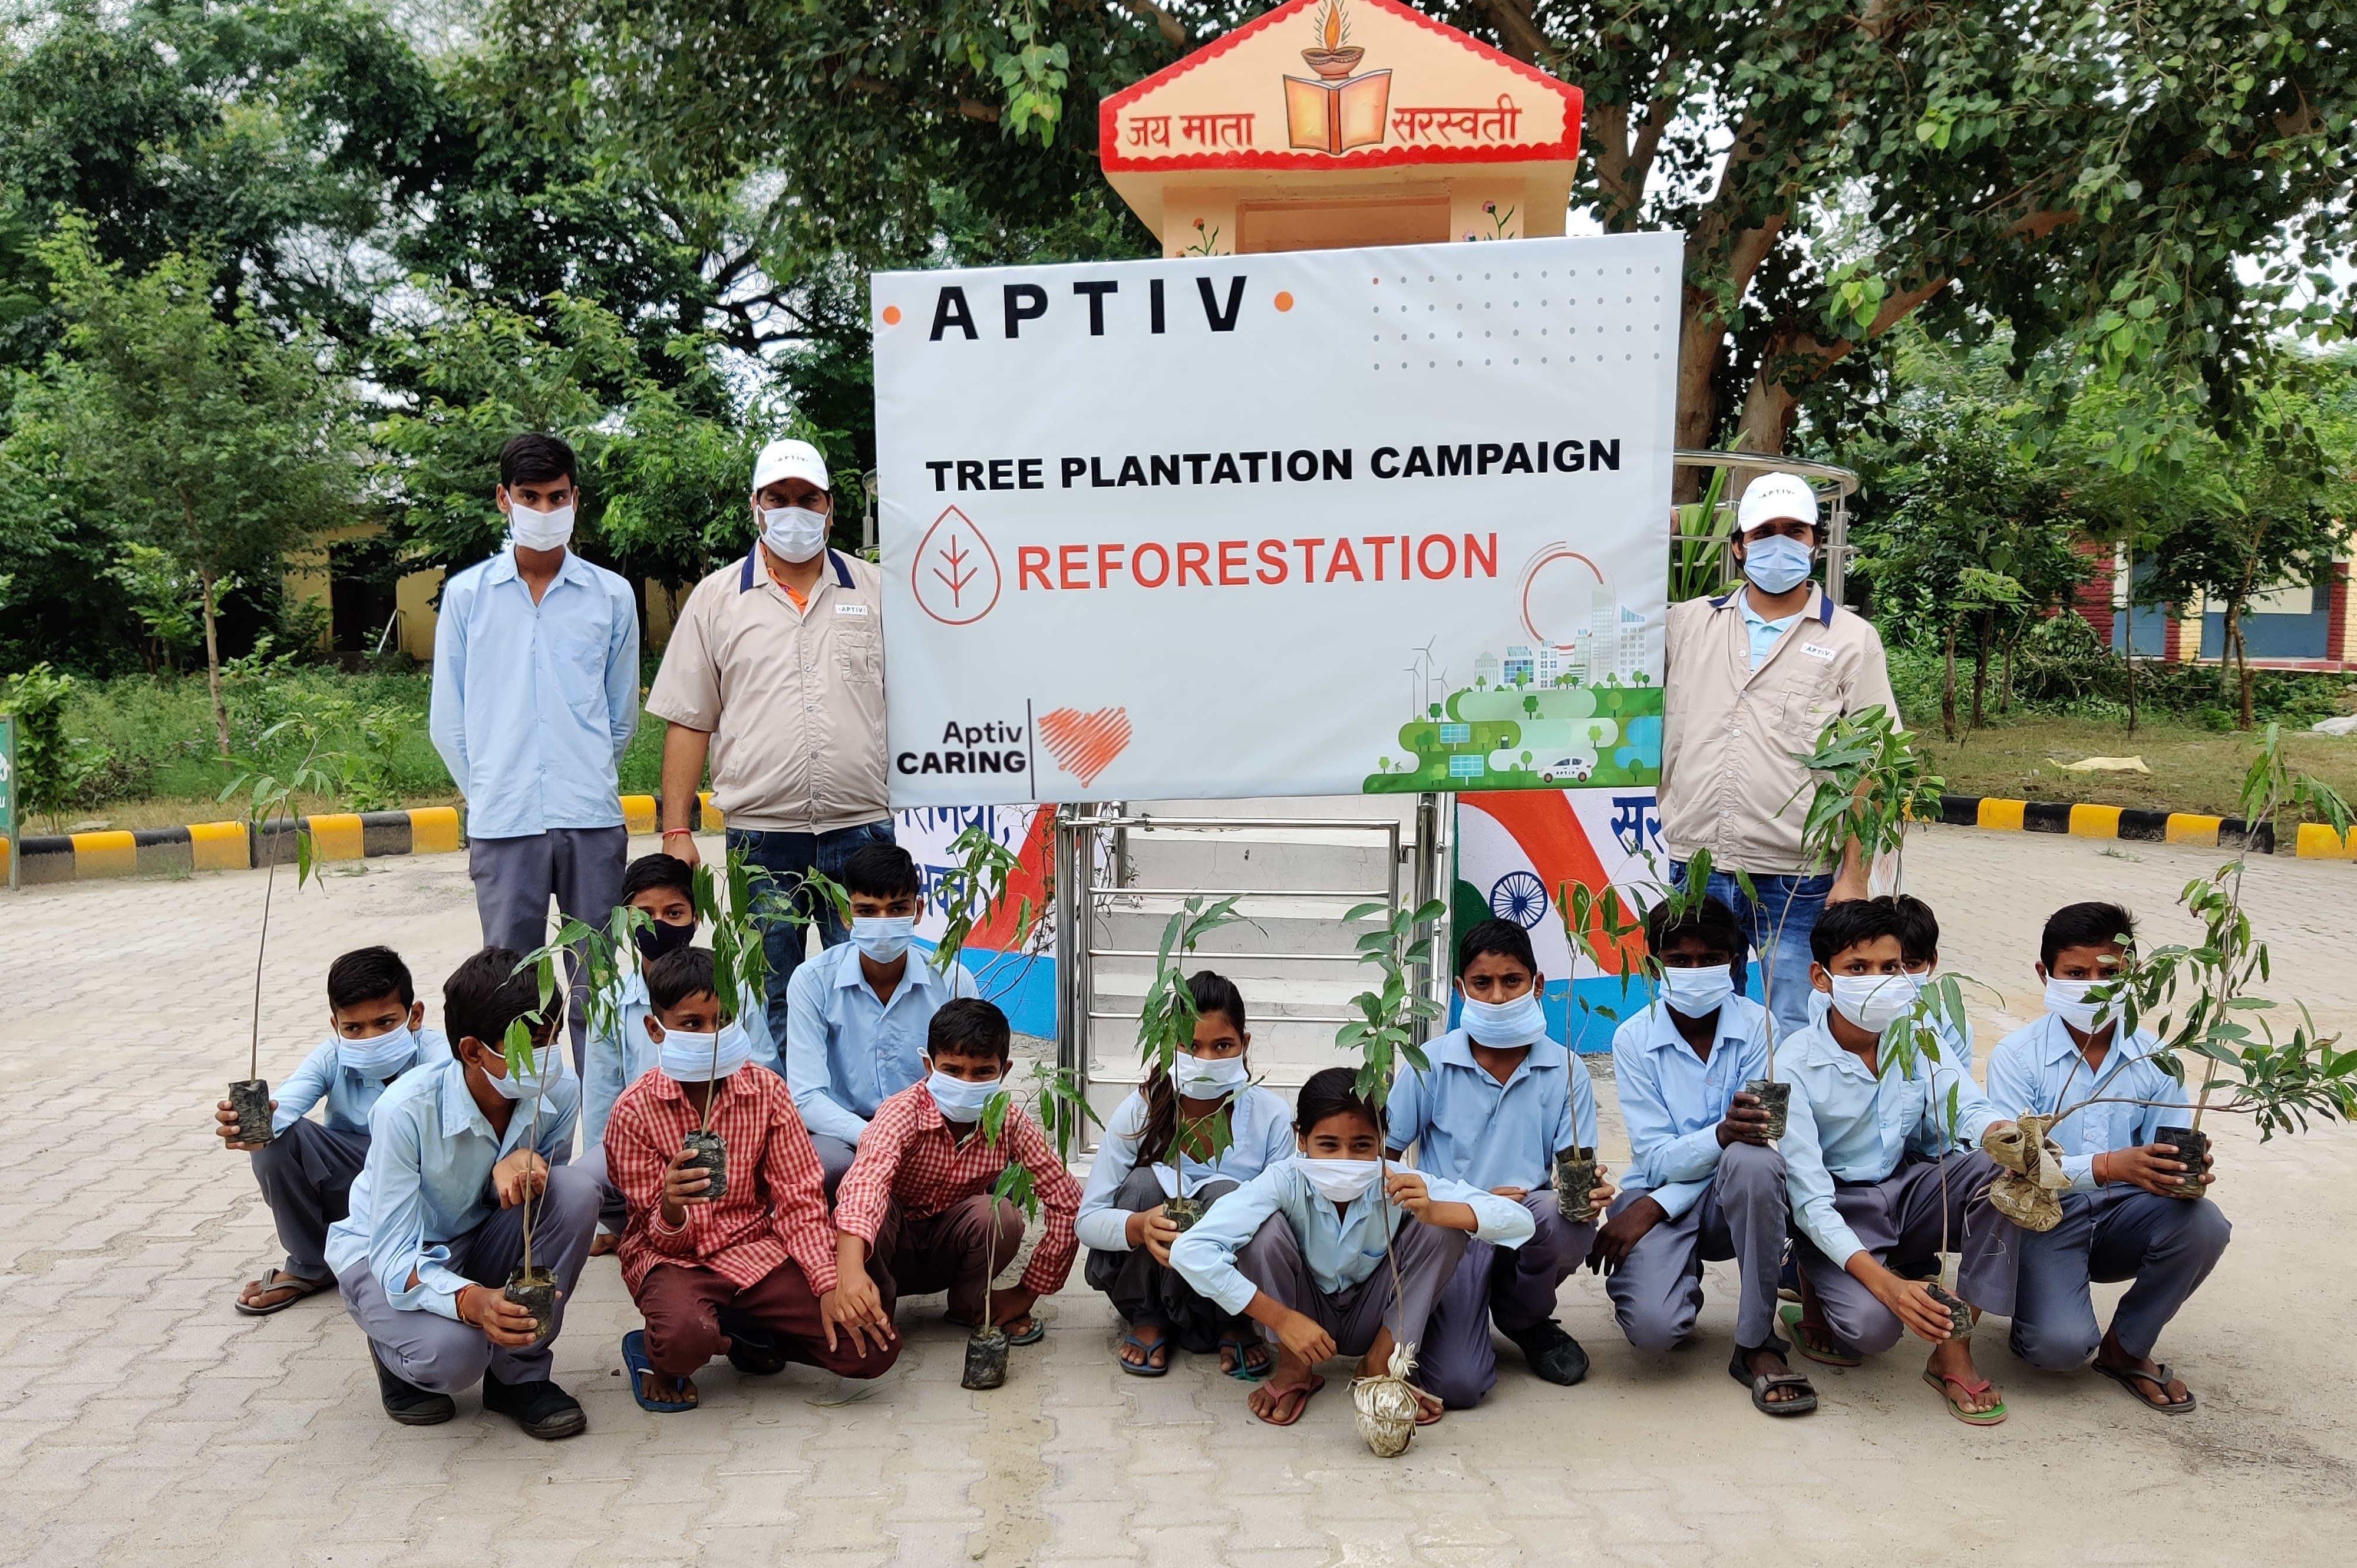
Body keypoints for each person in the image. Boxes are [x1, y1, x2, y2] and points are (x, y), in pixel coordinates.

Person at [646, 437, 892, 1044]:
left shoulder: (877, 591)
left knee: (866, 992)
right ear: (755, 505)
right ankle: (781, 1126)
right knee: (770, 994)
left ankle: (859, 1130)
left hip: (859, 829)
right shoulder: (716, 600)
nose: (794, 511)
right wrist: (676, 829)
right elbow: (689, 719)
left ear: (830, 508)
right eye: (778, 497)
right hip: (763, 838)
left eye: (808, 498)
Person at [601, 946, 902, 1411]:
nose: (711, 1035)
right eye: (692, 1023)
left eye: (721, 1020)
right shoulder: (634, 1111)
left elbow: (800, 1198)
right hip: (676, 1261)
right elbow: (651, 1234)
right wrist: (671, 1205)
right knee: (685, 1340)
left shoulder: (765, 1090)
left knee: (872, 1349)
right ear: (654, 1029)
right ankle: (658, 1350)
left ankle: (748, 1331)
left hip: (754, 1250)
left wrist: (826, 1284)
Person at [1657, 470, 1898, 1043]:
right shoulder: (1689, 624)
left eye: (1795, 530)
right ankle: (1718, 1131)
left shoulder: (1850, 639)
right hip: (1698, 864)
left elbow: (1875, 762)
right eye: (1764, 531)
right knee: (1698, 1017)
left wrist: (1854, 874)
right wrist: (1650, 532)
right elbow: (1601, 606)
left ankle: (1777, 1132)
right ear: (1738, 545)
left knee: (1789, 1025)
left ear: (1816, 542)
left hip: (1796, 876)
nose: (1780, 543)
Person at [430, 432, 641, 1071]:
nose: (544, 511)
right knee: (511, 992)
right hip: (505, 822)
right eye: (530, 497)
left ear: (576, 499)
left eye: (557, 497)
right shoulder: (467, 597)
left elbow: (619, 716)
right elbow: (450, 721)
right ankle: (521, 1140)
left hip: (591, 817)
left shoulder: (611, 596)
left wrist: (582, 770)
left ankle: (602, 1141)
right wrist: (492, 787)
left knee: (594, 988)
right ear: (504, 500)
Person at [326, 948, 598, 1440]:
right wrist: (473, 1302)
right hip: (386, 1256)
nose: (547, 1055)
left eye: (551, 1037)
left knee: (574, 1189)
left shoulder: (556, 1092)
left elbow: (540, 1215)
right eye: (527, 1043)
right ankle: (393, 1353)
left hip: (476, 1237)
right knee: (455, 1358)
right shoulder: (406, 1111)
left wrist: (523, 1171)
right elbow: (390, 1255)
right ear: (472, 1051)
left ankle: (520, 1375)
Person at [1171, 1067, 1534, 1430]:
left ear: (1382, 1141)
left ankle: (1380, 1364)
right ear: (1301, 1139)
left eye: (1362, 1145)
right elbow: (1190, 1251)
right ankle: (1295, 1367)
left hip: (1374, 1316)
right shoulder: (1283, 1180)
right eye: (1328, 1145)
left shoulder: (1399, 1181)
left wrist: (1436, 1209)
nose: (1345, 1158)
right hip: (1303, 1314)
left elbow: (1521, 1220)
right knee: (1263, 1234)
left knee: (1443, 1230)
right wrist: (1282, 1320)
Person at [1777, 898, 2020, 1424]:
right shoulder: (1791, 1064)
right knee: (1872, 1330)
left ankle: (1953, 1347)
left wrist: (2003, 1134)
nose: (1880, 980)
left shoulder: (1916, 1034)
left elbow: (1966, 1106)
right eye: (1858, 968)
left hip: (1906, 1189)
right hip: (1841, 1206)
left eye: (1891, 967)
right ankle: (1814, 1280)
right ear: (1822, 978)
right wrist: (1889, 1286)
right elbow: (1811, 1201)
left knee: (2006, 1171)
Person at [1985, 902, 2230, 1414]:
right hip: (2045, 1217)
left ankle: (2126, 1347)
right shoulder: (2017, 1056)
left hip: (2124, 1214)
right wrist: (2110, 1165)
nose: (2094, 985)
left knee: (2203, 1222)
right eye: (2076, 973)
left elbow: (2168, 1145)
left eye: (2109, 972)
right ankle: (2038, 1320)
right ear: (2044, 973)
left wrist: (2184, 1171)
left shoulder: (2154, 1056)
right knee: (2059, 1349)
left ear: (2132, 973)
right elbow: (2014, 1164)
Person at [1595, 897, 1809, 1415]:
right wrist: (1718, 1137)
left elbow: (1756, 1140)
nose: (1695, 971)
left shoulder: (1761, 1028)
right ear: (1654, 964)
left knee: (1757, 1164)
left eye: (1711, 958)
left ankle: (1756, 1341)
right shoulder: (1633, 1038)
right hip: (1665, 1186)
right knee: (1654, 1331)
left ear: (1735, 963)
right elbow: (1658, 1158)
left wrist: (1649, 1208)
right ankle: (1673, 1281)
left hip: (1730, 1196)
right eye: (1680, 960)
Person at [1383, 919, 1605, 1406]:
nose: (1499, 997)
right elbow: (1381, 1162)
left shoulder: (1567, 1069)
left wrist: (1590, 1193)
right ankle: (1457, 1314)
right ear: (1461, 989)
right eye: (1482, 984)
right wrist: (1463, 1201)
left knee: (1566, 1217)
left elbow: (1575, 1172)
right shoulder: (1430, 1062)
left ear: (1538, 985)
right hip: (1449, 1235)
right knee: (1460, 1385)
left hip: (1524, 1225)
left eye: (1512, 981)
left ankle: (1523, 1316)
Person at [1075, 970, 1294, 1379]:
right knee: (1142, 1184)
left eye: (1222, 1045)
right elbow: (1087, 1220)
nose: (1207, 1060)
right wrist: (1139, 1226)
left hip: (1230, 1281)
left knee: (1235, 1194)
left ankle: (1235, 1318)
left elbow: (1283, 1221)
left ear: (1244, 1045)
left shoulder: (1271, 1117)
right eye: (1191, 1046)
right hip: (1150, 1271)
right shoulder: (1139, 1110)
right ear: (1167, 1045)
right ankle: (1149, 1313)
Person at [213, 947, 449, 1315]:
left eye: (385, 1023)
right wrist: (250, 1129)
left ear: (414, 1015)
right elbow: (283, 1107)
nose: (370, 1037)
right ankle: (313, 1265)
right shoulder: (331, 1056)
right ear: (336, 1026)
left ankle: (431, 1252)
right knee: (275, 1144)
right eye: (354, 1028)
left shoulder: (440, 1054)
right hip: (358, 1179)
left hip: (427, 1185)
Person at [833, 999, 1081, 1347]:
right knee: (880, 1206)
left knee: (1001, 1217)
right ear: (929, 1066)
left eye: (982, 1072)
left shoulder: (1009, 1122)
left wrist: (1028, 1291)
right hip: (889, 1248)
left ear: (1004, 1072)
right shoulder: (902, 1112)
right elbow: (866, 1184)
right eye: (952, 1070)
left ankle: (970, 1304)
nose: (966, 1082)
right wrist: (849, 1269)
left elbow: (1067, 1200)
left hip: (950, 1246)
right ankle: (872, 1305)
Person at [581, 852, 781, 1252]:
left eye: (674, 912)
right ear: (624, 920)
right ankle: (634, 1220)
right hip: (642, 1145)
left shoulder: (735, 989)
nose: (659, 924)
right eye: (644, 914)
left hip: (730, 1143)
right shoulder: (611, 1000)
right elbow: (601, 1097)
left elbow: (764, 1069)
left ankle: (736, 1218)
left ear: (696, 918)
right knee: (582, 1182)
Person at [784, 841, 978, 1190]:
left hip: (928, 1126)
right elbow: (806, 1096)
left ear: (918, 910)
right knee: (826, 1166)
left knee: (991, 1172)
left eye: (897, 908)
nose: (883, 922)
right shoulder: (813, 982)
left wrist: (919, 1134)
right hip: (842, 1129)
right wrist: (875, 1136)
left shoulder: (952, 980)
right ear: (846, 915)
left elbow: (967, 1081)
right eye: (868, 911)